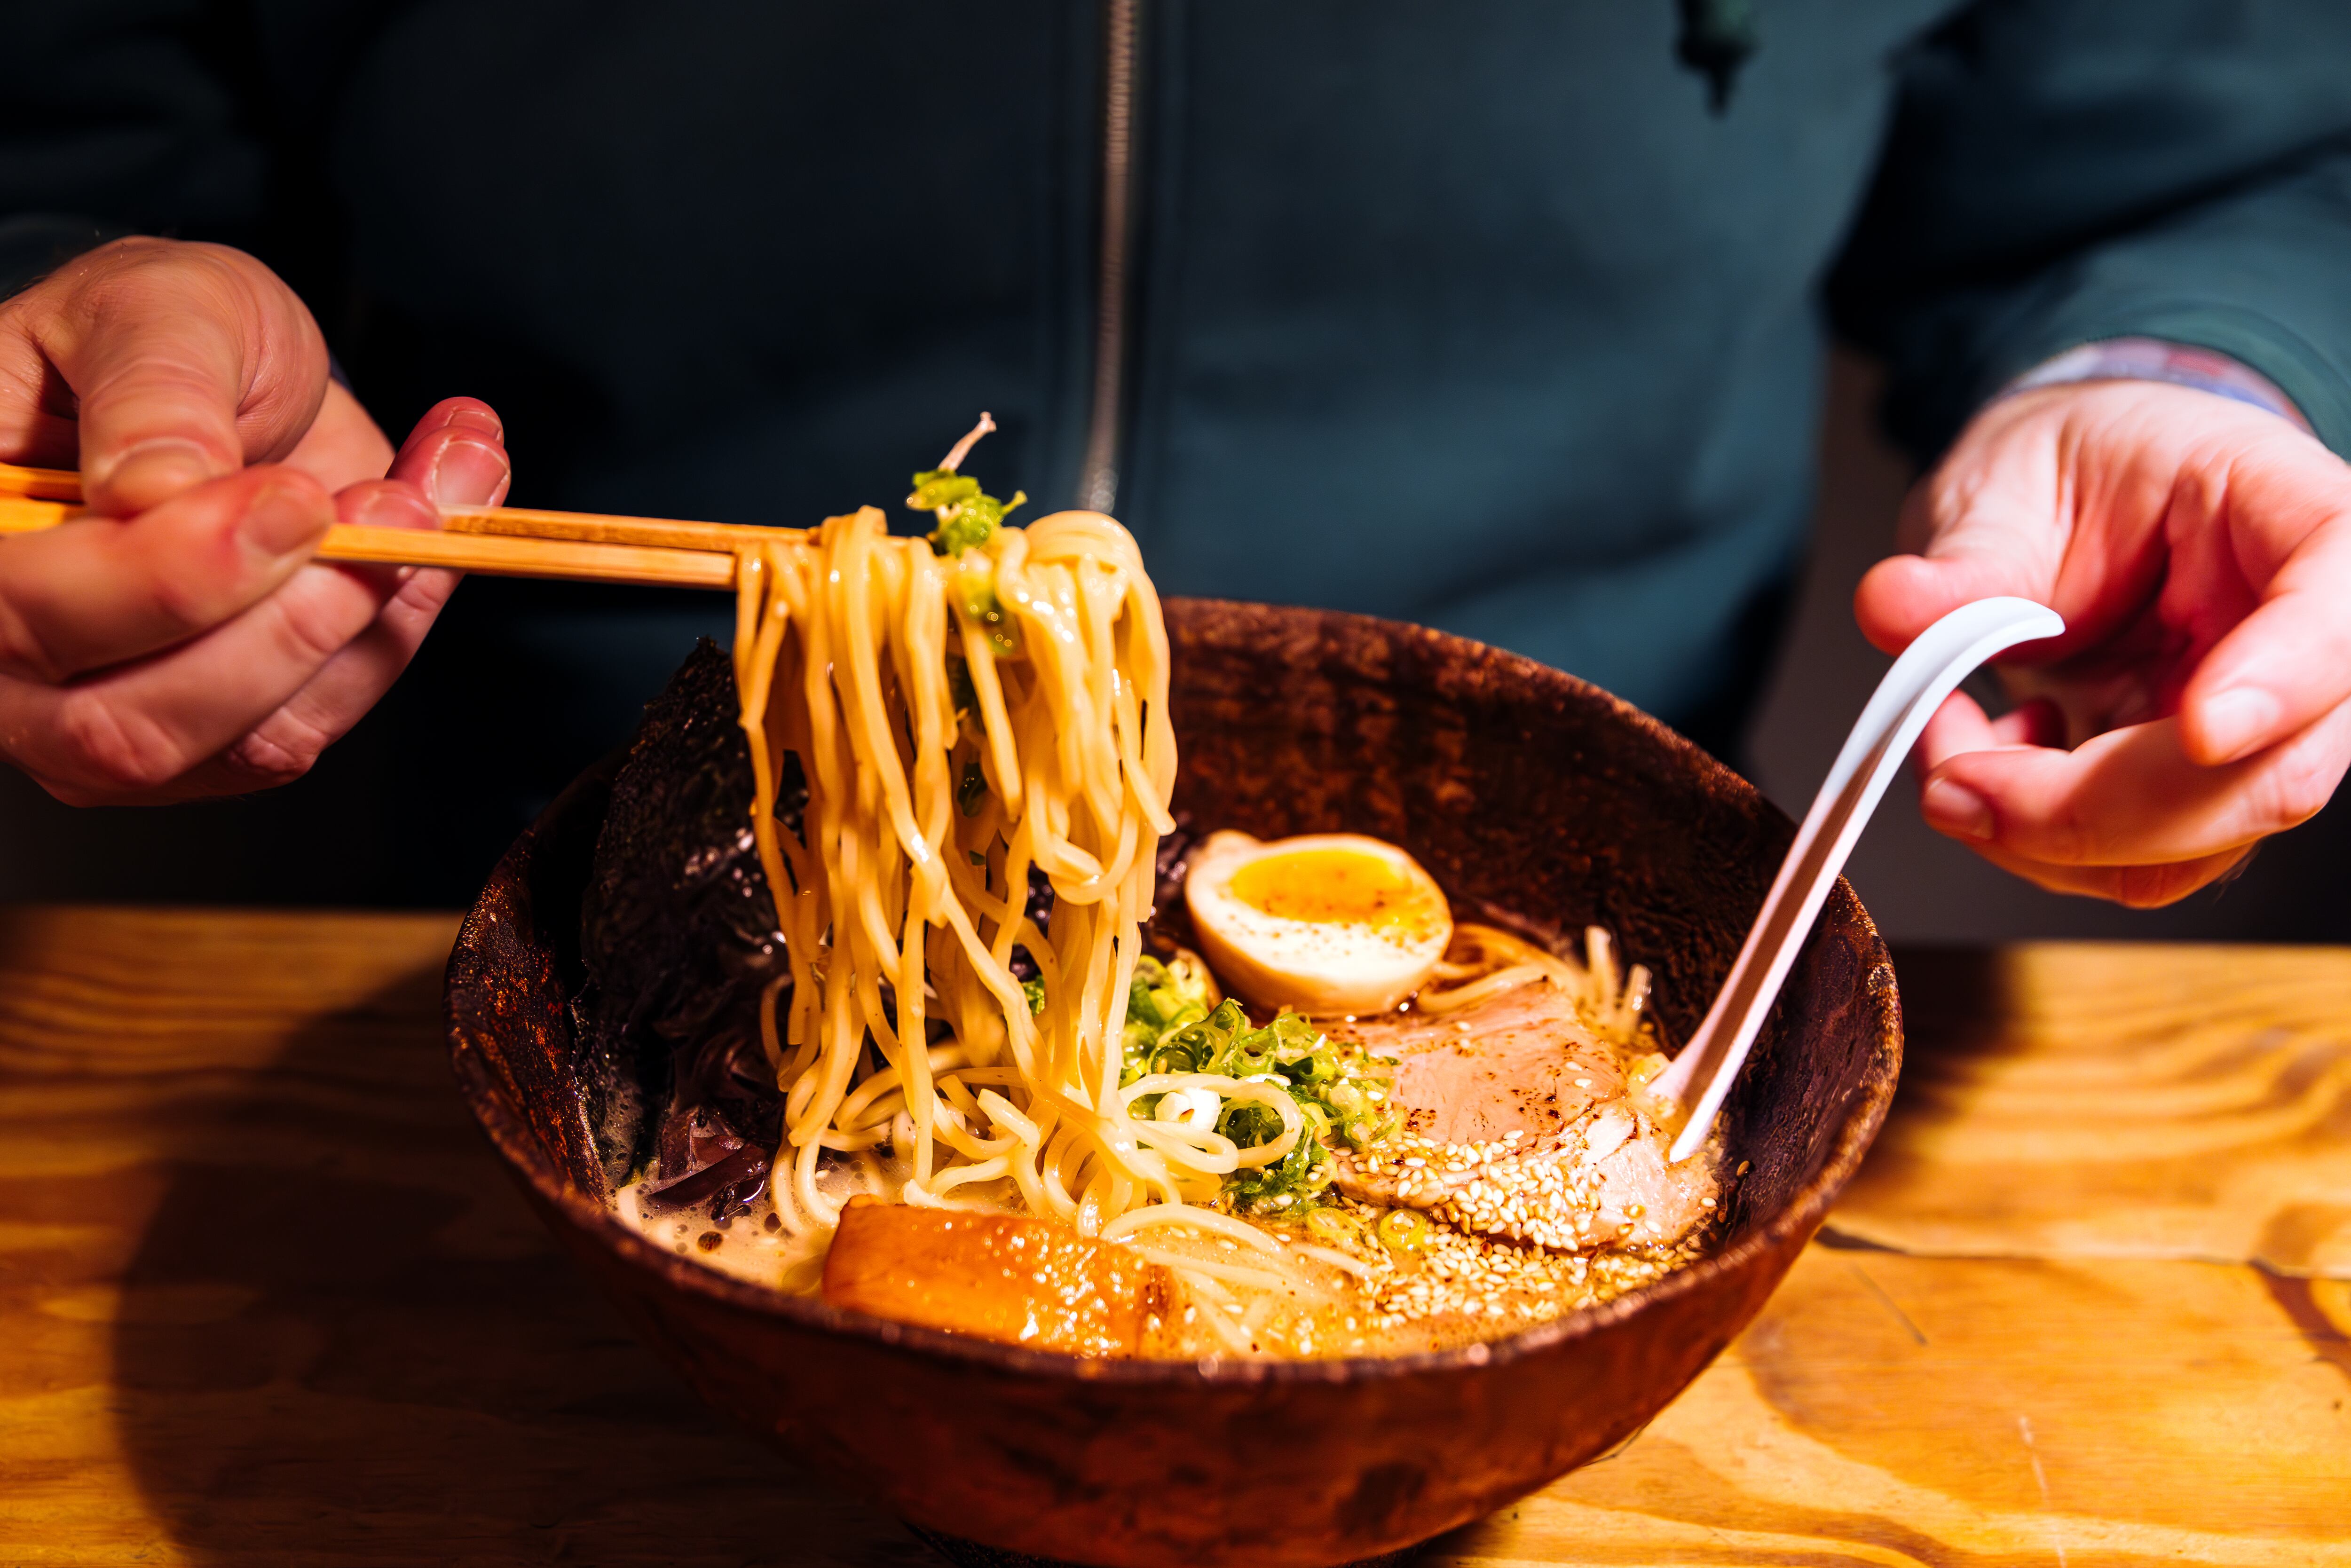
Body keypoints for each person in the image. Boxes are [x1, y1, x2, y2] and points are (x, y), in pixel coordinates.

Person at [3, 0, 2347, 908]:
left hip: (1534, 909)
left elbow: (2190, 153)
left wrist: (2185, 374)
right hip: (434, 910)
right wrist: (70, 306)